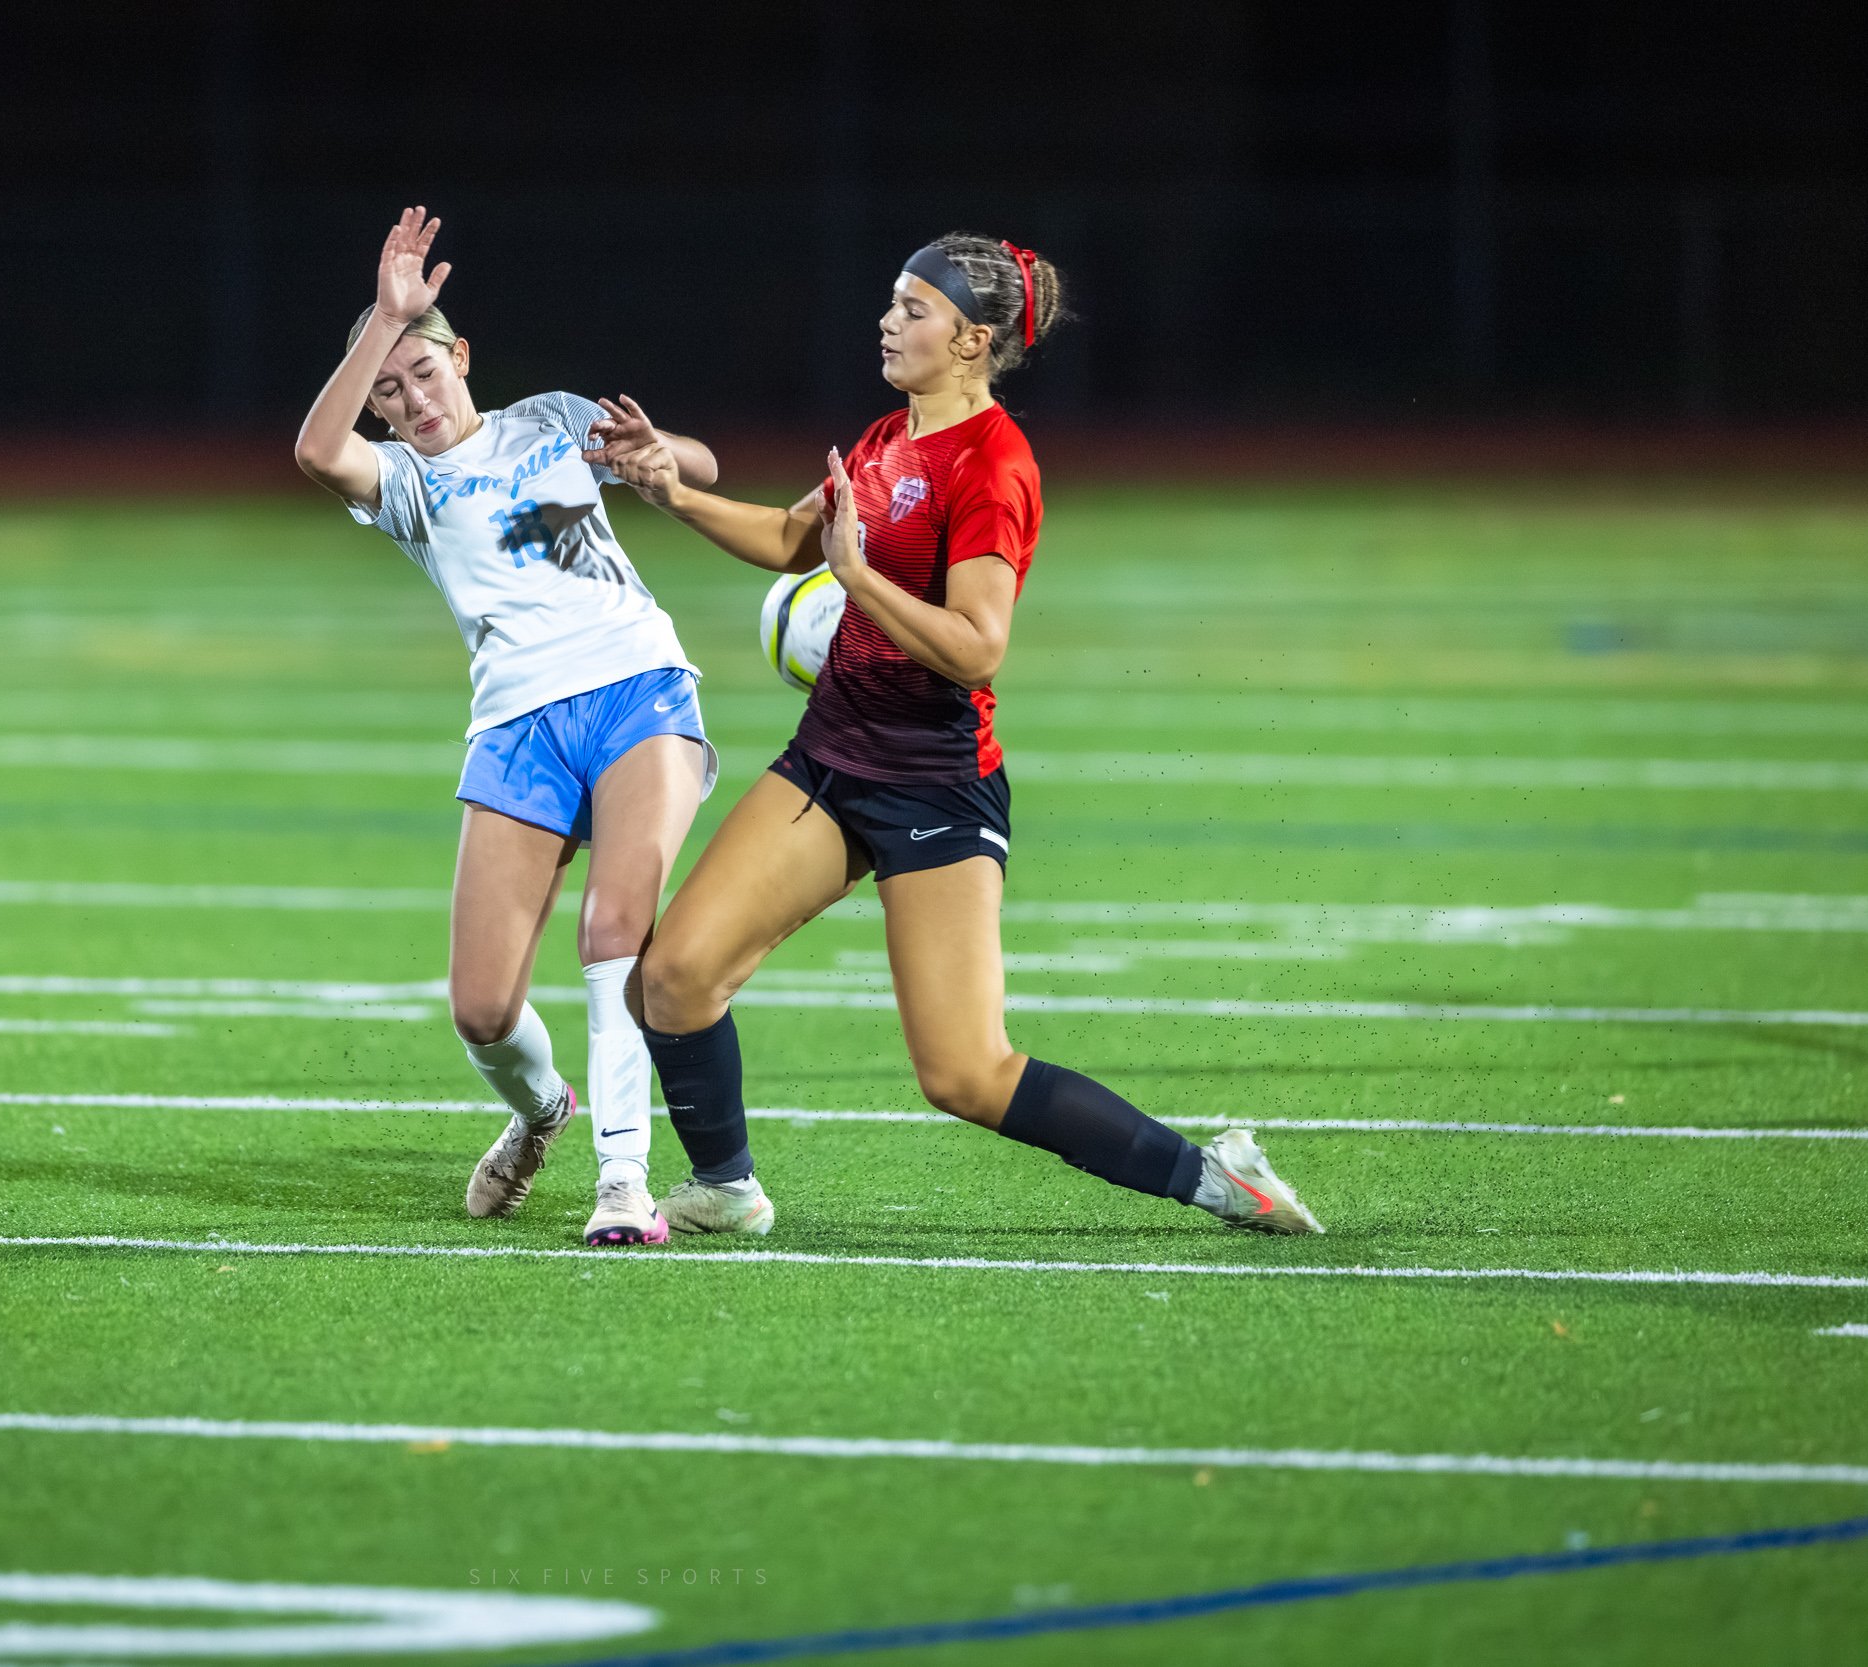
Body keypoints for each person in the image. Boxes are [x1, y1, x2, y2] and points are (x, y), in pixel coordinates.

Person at [590, 231, 1323, 1237]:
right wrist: (672, 494)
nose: (887, 322)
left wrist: (857, 580)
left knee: (964, 1073)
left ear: (973, 340)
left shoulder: (993, 464)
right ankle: (724, 1184)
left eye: (913, 308)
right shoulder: (887, 437)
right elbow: (795, 538)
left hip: (933, 785)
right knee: (672, 978)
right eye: (892, 302)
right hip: (828, 759)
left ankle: (1213, 1177)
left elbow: (978, 648)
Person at [293, 206, 722, 1246]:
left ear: (462, 358)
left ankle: (624, 1183)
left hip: (636, 688)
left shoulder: (551, 421)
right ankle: (541, 1114)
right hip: (518, 727)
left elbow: (699, 469)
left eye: (422, 371)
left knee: (612, 933)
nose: (412, 400)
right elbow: (316, 451)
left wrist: (659, 452)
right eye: (388, 390)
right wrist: (381, 323)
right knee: (481, 1010)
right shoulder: (405, 483)